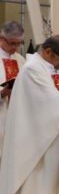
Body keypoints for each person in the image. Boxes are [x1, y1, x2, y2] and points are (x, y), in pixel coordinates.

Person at [0, 35, 59, 194]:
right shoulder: (33, 69)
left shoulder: (53, 68)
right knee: (38, 180)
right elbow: (50, 102)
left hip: (54, 135)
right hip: (37, 142)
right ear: (48, 52)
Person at [0, 21, 26, 158]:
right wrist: (2, 93)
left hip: (16, 114)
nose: (15, 47)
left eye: (19, 43)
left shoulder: (20, 60)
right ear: (2, 39)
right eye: (12, 43)